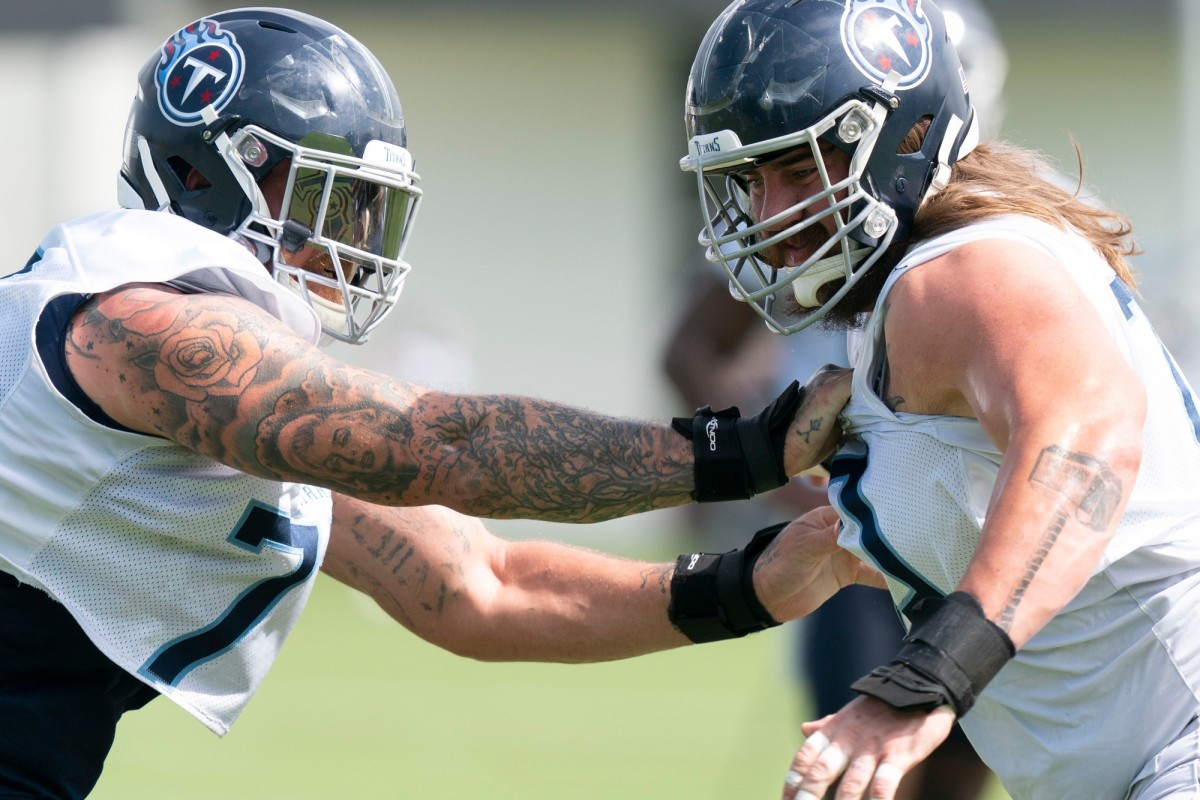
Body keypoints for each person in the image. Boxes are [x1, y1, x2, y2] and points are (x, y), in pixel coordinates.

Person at [0, 8, 878, 798]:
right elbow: (440, 444)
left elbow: (479, 587)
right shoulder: (139, 326)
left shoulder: (220, 378)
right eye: (328, 196)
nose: (347, 236)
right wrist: (747, 447)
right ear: (206, 176)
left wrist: (755, 583)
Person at [679, 1, 1200, 799]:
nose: (769, 216)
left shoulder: (952, 275)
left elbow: (1092, 431)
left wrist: (930, 677)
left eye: (801, 168)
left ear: (901, 140)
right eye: (751, 179)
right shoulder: (935, 274)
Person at [664, 1, 1006, 797]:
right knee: (854, 771)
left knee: (950, 770)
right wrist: (768, 458)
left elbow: (1075, 449)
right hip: (866, 537)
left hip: (985, 546)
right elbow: (687, 345)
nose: (773, 210)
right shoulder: (806, 216)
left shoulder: (985, 255)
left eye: (802, 164)